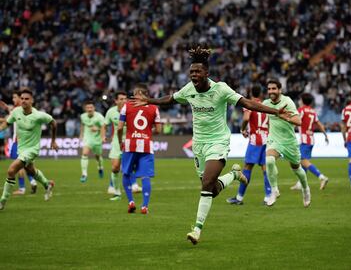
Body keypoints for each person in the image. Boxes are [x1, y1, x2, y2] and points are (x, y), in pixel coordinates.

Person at [134, 45, 290, 245]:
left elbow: (248, 104)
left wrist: (275, 111)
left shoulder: (221, 89)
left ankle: (197, 229)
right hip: (199, 144)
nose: (193, 74)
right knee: (212, 189)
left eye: (198, 71)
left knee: (207, 183)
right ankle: (234, 175)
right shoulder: (189, 89)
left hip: (218, 142)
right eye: (191, 71)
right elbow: (171, 99)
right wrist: (149, 101)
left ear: (207, 73)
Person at [0, 88, 57, 210]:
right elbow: (7, 123)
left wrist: (53, 140)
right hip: (21, 148)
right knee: (31, 170)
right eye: (22, 98)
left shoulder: (38, 115)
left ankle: (2, 201)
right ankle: (47, 184)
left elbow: (53, 123)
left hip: (32, 149)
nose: (24, 101)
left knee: (11, 170)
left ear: (32, 101)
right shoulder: (16, 112)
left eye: (27, 99)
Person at [262, 79, 311, 208]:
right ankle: (274, 190)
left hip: (289, 142)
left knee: (297, 169)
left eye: (274, 89)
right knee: (269, 161)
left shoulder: (287, 102)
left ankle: (305, 189)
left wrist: (285, 117)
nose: (271, 91)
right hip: (274, 140)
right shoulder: (266, 103)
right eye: (269, 89)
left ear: (279, 90)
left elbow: (299, 121)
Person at [118, 85, 162, 214]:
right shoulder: (154, 108)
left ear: (138, 93)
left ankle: (131, 202)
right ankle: (144, 206)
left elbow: (120, 128)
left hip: (129, 144)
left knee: (126, 173)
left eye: (134, 93)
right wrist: (147, 132)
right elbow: (159, 130)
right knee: (145, 176)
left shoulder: (127, 106)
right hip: (146, 145)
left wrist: (120, 141)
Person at [226, 85, 272, 205]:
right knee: (265, 169)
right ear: (261, 94)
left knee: (247, 167)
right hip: (266, 139)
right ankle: (268, 197)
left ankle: (239, 198)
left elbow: (246, 118)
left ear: (251, 93)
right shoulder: (265, 105)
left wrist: (242, 129)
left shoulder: (250, 104)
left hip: (255, 140)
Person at [0, 90, 37, 195]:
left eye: (15, 97)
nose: (13, 99)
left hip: (19, 142)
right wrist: (8, 109)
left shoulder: (17, 110)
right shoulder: (20, 110)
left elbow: (6, 120)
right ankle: (33, 182)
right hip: (27, 142)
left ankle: (22, 188)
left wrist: (6, 112)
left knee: (18, 166)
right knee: (26, 165)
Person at [290, 93, 329, 191]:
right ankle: (300, 183)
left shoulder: (301, 110)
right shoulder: (313, 111)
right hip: (311, 139)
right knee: (304, 162)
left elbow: (296, 121)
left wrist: (289, 131)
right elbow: (319, 124)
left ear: (302, 100)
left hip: (304, 140)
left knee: (302, 161)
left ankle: (321, 177)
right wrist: (325, 135)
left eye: (300, 99)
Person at [104, 91, 128, 200]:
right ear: (116, 101)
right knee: (115, 167)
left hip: (130, 141)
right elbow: (104, 125)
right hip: (116, 142)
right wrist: (103, 136)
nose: (124, 101)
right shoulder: (111, 112)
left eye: (125, 99)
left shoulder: (131, 110)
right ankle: (117, 192)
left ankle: (134, 186)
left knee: (132, 167)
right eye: (121, 99)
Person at [79, 100, 105, 183]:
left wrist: (97, 129)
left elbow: (104, 127)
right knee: (85, 153)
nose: (89, 109)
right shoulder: (83, 116)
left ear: (94, 108)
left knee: (97, 156)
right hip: (87, 138)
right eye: (87, 107)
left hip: (97, 139)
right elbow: (82, 124)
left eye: (91, 107)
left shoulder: (99, 117)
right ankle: (84, 174)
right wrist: (81, 134)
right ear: (85, 109)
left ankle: (100, 167)